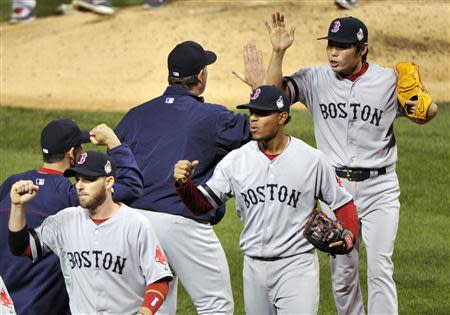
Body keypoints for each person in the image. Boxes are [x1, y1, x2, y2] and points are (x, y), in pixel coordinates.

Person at [260, 12, 438, 315]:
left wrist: (424, 107)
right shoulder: (314, 79)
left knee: (380, 267)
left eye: (341, 47)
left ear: (362, 49)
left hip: (380, 188)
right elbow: (273, 99)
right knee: (343, 273)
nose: (333, 52)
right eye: (330, 45)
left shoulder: (386, 81)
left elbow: (426, 111)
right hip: (336, 191)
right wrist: (278, 52)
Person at [173, 85, 360, 315]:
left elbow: (343, 202)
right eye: (251, 113)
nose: (253, 119)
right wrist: (184, 186)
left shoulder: (312, 160)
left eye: (261, 114)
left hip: (296, 267)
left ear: (282, 117)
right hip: (253, 269)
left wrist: (350, 235)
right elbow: (202, 205)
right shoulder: (236, 160)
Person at [115, 40, 251, 314]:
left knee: (156, 305)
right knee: (216, 304)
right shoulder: (211, 117)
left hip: (135, 223)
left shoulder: (135, 116)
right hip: (182, 223)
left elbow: (117, 167)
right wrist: (260, 88)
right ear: (201, 77)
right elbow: (261, 127)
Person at [0, 119, 143, 315]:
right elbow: (131, 187)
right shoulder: (71, 195)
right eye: (80, 148)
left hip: (5, 299)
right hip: (41, 305)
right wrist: (114, 143)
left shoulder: (12, 184)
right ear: (72, 153)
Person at [8, 151, 172, 315]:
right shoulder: (64, 221)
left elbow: (159, 279)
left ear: (108, 182)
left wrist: (146, 311)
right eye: (78, 179)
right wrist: (17, 206)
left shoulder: (136, 225)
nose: (80, 185)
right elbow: (21, 247)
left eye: (88, 179)